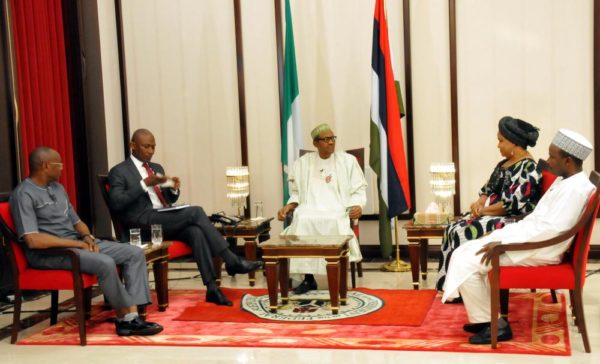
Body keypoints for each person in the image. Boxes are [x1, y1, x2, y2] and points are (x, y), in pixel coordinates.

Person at [441, 128, 595, 345]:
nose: (548, 161)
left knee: (467, 259)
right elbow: (540, 221)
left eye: (552, 156)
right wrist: (502, 233)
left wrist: (503, 243)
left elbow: (551, 231)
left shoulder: (576, 190)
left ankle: (492, 325)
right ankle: (485, 319)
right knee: (464, 252)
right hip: (529, 238)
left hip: (541, 248)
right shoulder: (566, 181)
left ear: (568, 160)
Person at [9, 147, 163, 337]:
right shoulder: (24, 194)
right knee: (105, 262)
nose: (62, 169)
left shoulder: (58, 188)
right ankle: (127, 320)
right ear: (46, 166)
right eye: (59, 165)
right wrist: (76, 245)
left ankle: (133, 316)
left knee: (134, 252)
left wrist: (87, 237)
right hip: (50, 254)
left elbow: (77, 222)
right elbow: (33, 240)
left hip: (76, 244)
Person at [108, 129, 262, 307]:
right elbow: (117, 203)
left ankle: (212, 288)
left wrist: (173, 189)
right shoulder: (119, 171)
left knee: (195, 231)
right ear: (132, 145)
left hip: (161, 218)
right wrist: (144, 184)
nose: (150, 151)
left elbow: (166, 199)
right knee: (196, 212)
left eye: (153, 147)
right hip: (141, 223)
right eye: (146, 146)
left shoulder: (156, 168)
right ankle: (232, 259)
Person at [436, 116, 542, 291]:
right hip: (493, 214)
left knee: (460, 232)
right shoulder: (506, 163)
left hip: (512, 220)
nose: (498, 145)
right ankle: (451, 287)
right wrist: (480, 202)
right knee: (451, 228)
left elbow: (511, 205)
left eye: (501, 141)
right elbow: (488, 188)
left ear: (514, 143)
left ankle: (463, 288)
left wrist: (484, 211)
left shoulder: (528, 168)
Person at [277, 123, 367, 294]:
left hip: (338, 208)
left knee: (334, 221)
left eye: (332, 138)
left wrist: (358, 205)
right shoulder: (303, 163)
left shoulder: (347, 161)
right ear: (315, 144)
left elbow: (358, 189)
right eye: (326, 139)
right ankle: (309, 279)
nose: (331, 142)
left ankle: (339, 279)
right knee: (302, 218)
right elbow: (296, 193)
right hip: (310, 207)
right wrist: (289, 206)